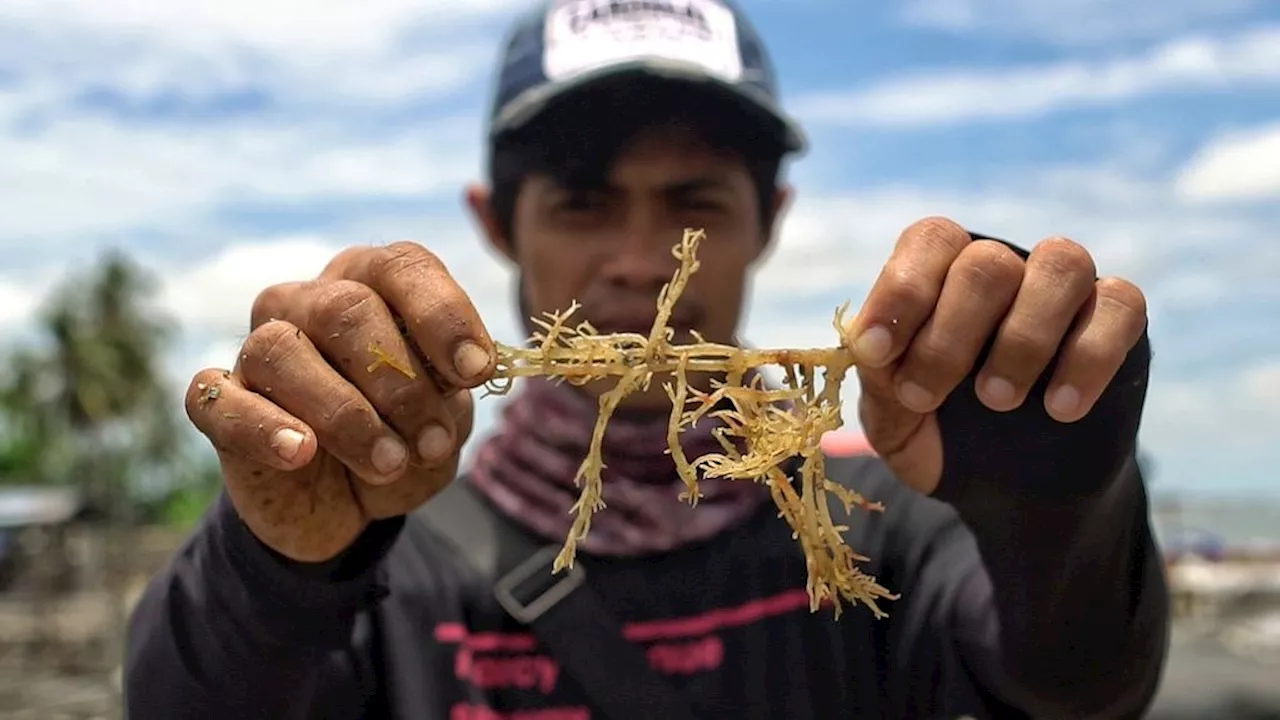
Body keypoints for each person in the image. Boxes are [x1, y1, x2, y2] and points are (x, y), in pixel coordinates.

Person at [124, 1, 1170, 718]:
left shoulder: (874, 529)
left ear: (770, 217)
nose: (636, 264)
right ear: (495, 222)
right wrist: (275, 568)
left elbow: (1072, 692)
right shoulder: (389, 556)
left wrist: (1057, 518)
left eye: (693, 203)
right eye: (581, 202)